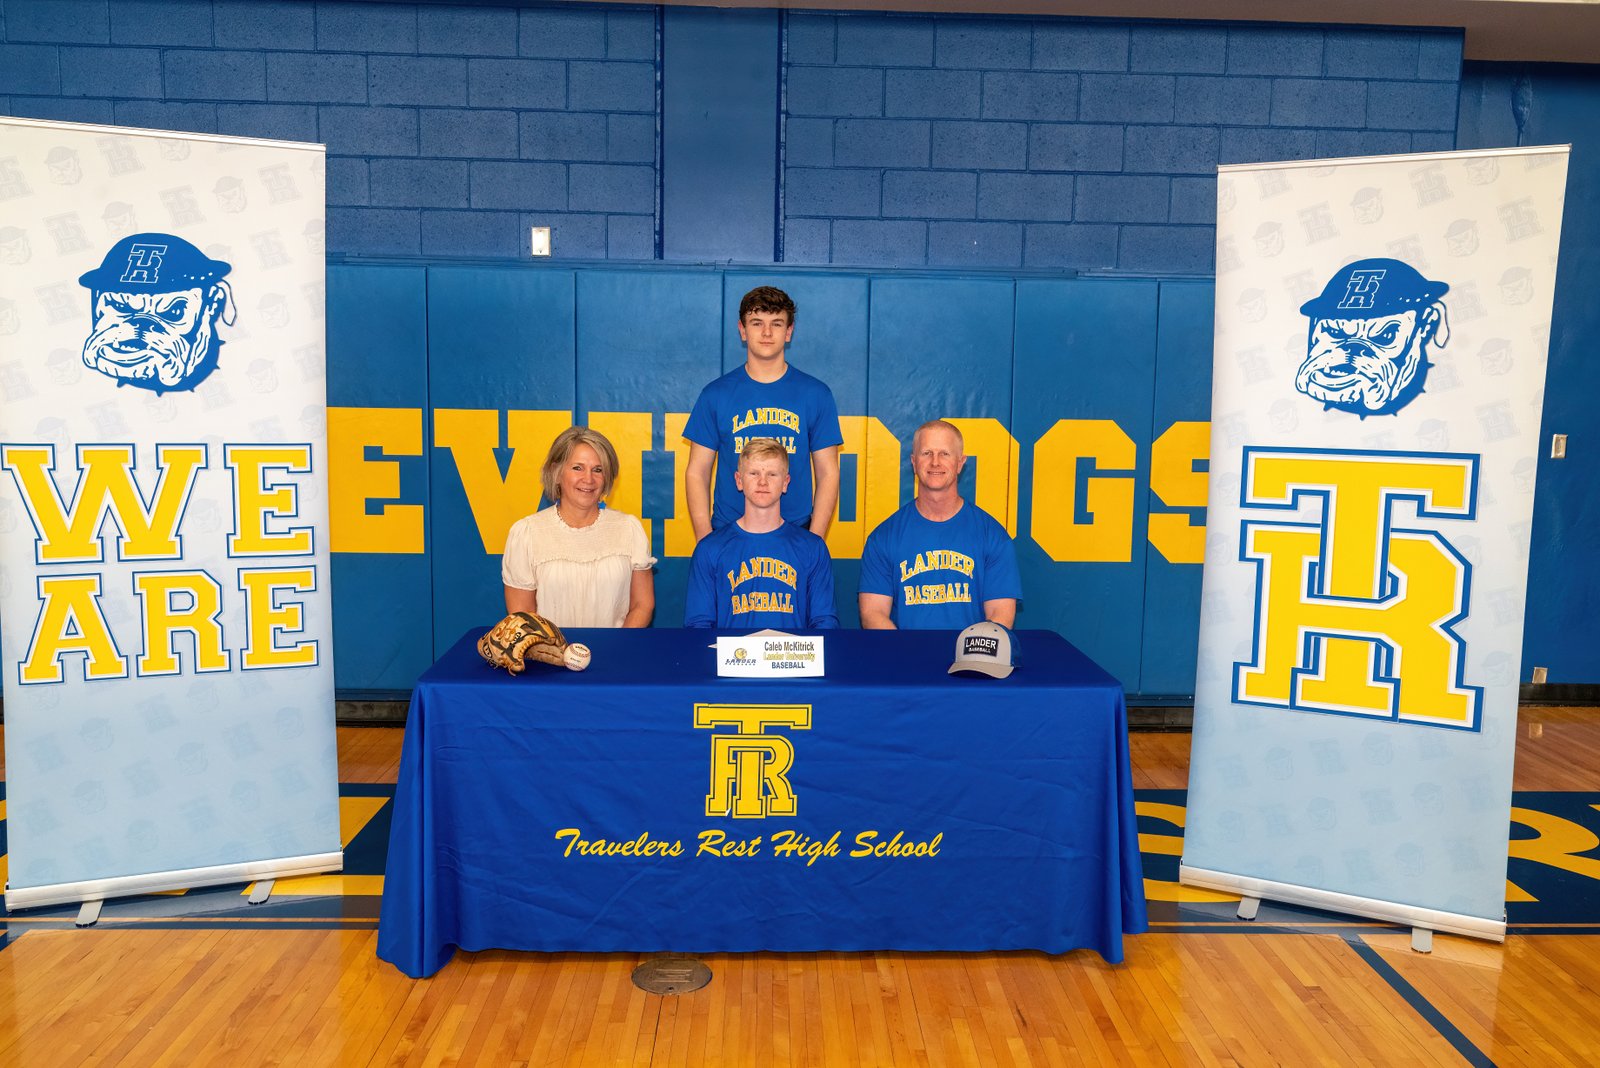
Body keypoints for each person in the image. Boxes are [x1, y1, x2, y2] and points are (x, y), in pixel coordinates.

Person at [683, 286, 843, 541]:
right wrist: (705, 541)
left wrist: (814, 541)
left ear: (788, 331)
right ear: (742, 330)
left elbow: (828, 473)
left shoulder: (816, 394)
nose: (767, 333)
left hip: (796, 532)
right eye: (757, 323)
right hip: (727, 533)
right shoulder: (715, 394)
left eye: (776, 324)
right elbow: (697, 471)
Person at [858, 419, 1022, 630]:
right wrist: (904, 650)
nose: (935, 462)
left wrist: (972, 651)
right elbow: (873, 614)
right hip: (905, 651)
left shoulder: (993, 536)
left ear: (960, 463)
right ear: (914, 462)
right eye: (927, 453)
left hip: (971, 651)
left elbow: (1000, 615)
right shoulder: (883, 537)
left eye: (945, 453)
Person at [502, 426, 656, 628]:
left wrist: (618, 644)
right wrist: (553, 648)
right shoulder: (527, 533)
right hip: (548, 649)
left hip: (617, 647)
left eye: (598, 470)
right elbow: (523, 618)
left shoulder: (628, 529)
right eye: (578, 468)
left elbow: (642, 605)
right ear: (556, 473)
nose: (588, 479)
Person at [684, 437, 839, 630]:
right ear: (739, 480)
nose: (763, 482)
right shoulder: (710, 548)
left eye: (772, 474)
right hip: (733, 651)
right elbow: (698, 626)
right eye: (754, 473)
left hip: (791, 651)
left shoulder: (812, 548)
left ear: (785, 482)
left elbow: (825, 623)